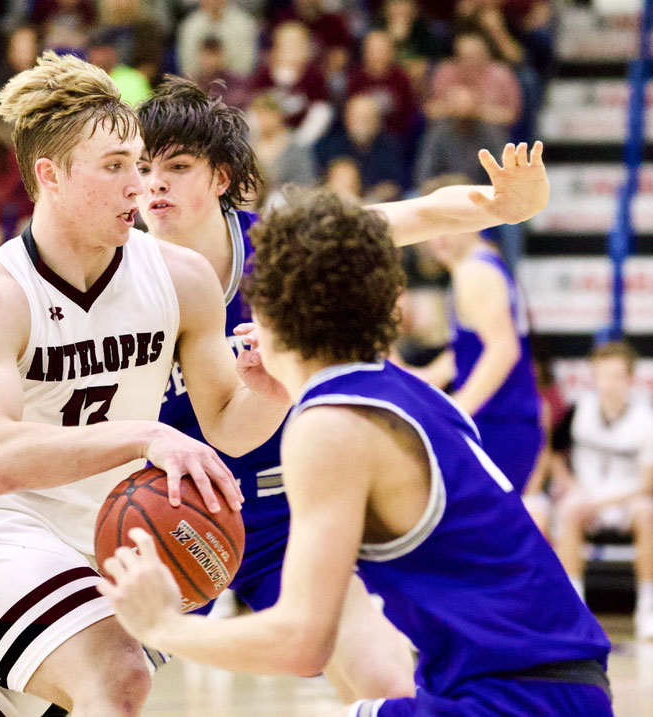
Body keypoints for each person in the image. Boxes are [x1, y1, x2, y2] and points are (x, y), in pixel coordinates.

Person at [97, 187, 613, 717]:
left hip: (512, 699)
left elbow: (300, 642)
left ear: (268, 307)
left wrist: (163, 626)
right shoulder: (410, 395)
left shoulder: (329, 429)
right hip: (557, 685)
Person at [0, 51, 290, 717]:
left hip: (109, 540)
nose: (138, 185)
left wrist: (274, 386)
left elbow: (227, 421)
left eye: (139, 164)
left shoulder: (182, 277)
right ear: (50, 176)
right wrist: (145, 435)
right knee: (117, 675)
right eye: (115, 167)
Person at [136, 77, 554, 702]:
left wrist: (501, 206)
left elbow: (408, 216)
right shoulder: (119, 272)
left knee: (388, 681)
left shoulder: (276, 248)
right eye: (142, 168)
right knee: (99, 685)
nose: (155, 183)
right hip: (166, 507)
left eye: (177, 166)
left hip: (286, 509)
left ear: (221, 177)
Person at [405, 173, 543, 494]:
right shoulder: (482, 264)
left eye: (441, 224)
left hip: (498, 422)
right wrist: (422, 376)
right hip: (507, 421)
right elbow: (473, 351)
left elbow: (502, 350)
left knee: (478, 536)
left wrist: (457, 411)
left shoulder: (473, 272)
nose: (432, 238)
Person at [553, 341, 653, 640]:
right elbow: (554, 453)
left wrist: (602, 501)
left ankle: (648, 609)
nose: (608, 384)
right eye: (602, 375)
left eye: (616, 376)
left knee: (647, 515)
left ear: (631, 379)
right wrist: (570, 485)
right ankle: (573, 610)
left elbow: (648, 485)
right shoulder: (577, 410)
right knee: (568, 510)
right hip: (586, 496)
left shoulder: (645, 419)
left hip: (628, 499)